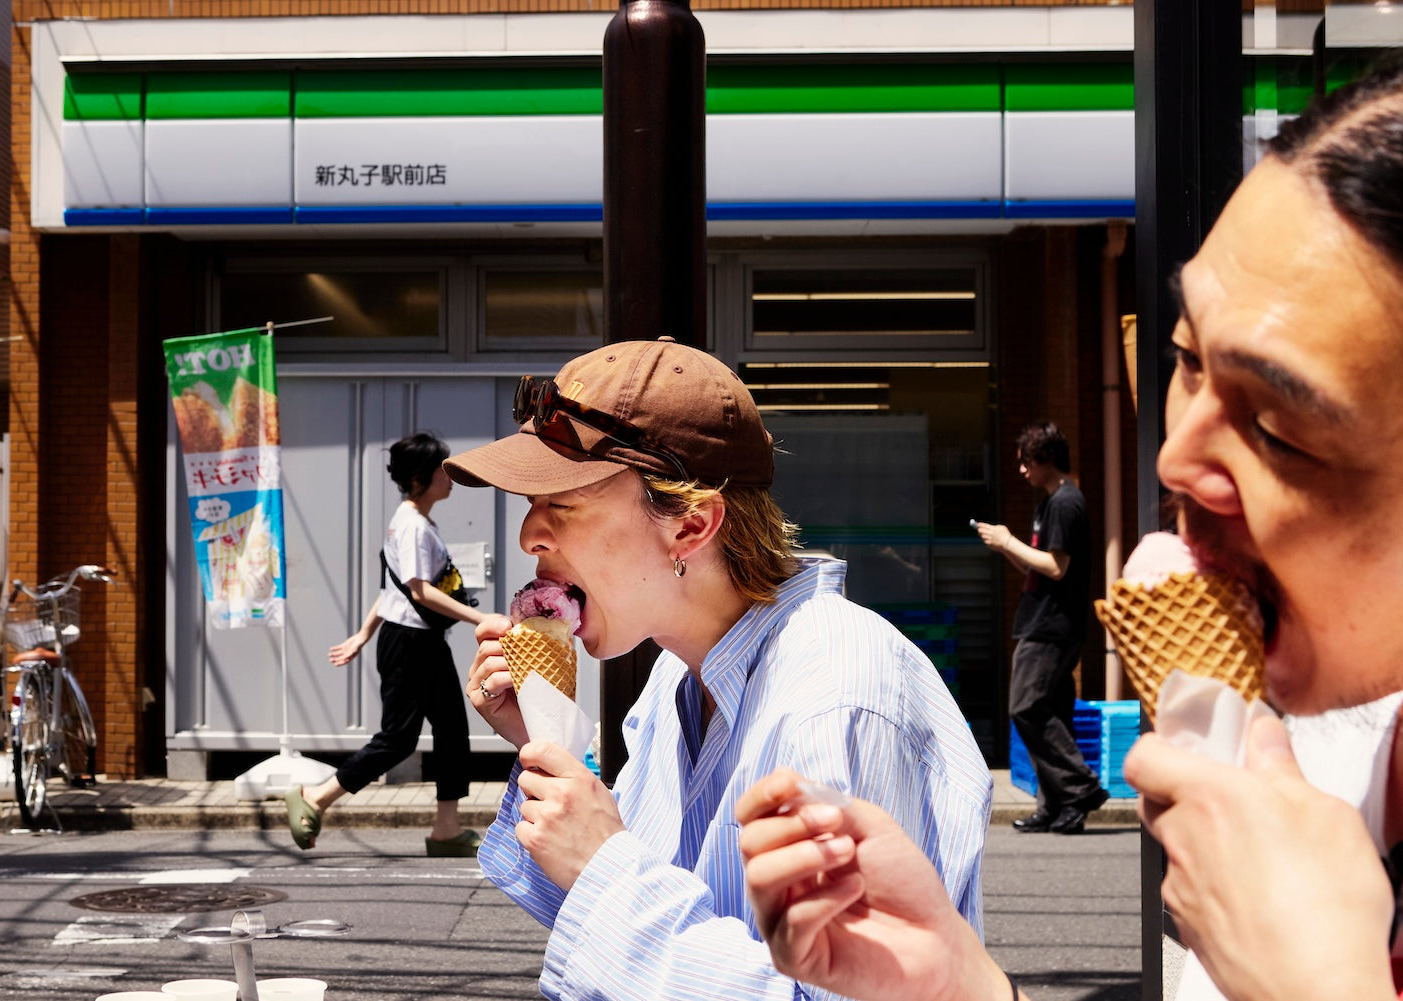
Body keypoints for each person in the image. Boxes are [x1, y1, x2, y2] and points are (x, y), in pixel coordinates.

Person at [737, 32, 1403, 1001]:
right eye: (1188, 358)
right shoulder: (1307, 740)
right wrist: (960, 982)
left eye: (1279, 427)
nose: (1177, 458)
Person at [446, 336, 993, 1000]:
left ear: (690, 525)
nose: (529, 534)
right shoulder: (675, 674)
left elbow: (841, 993)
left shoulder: (837, 697)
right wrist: (544, 740)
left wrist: (606, 866)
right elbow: (611, 937)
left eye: (561, 505)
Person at [284, 432, 504, 857]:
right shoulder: (412, 526)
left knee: (452, 731)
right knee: (398, 739)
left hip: (420, 640)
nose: (449, 476)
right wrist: (482, 618)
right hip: (409, 643)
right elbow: (419, 591)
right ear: (420, 479)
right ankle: (316, 797)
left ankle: (446, 829)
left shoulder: (413, 522)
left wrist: (363, 635)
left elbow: (392, 590)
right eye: (442, 469)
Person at [974, 422, 1107, 834]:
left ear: (1045, 458)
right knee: (1053, 713)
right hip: (1046, 620)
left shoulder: (1066, 503)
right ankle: (1057, 807)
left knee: (1026, 707)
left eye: (1026, 462)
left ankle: (1082, 787)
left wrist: (1008, 540)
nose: (1022, 470)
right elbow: (1039, 567)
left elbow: (1056, 567)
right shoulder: (1050, 502)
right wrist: (1005, 548)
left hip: (1051, 625)